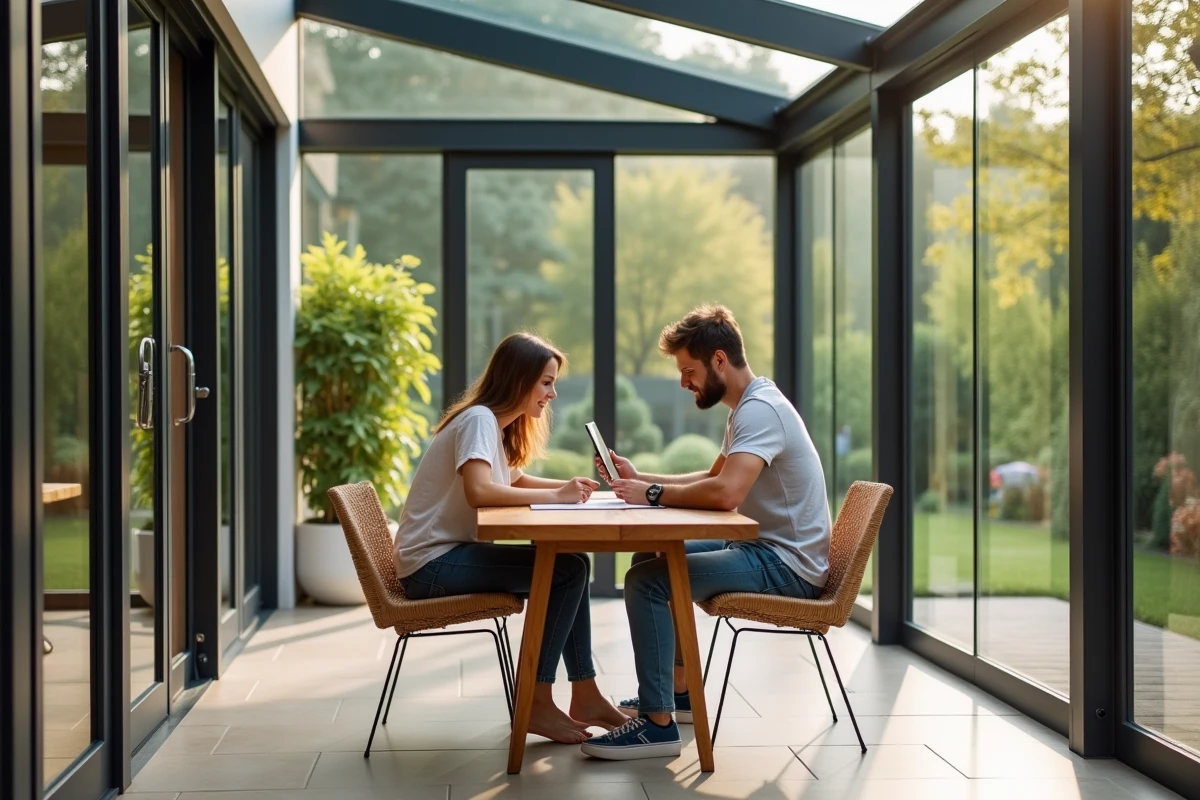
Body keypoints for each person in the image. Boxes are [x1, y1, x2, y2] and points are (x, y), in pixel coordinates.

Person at [580, 305, 832, 760]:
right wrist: (642, 480)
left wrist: (651, 494)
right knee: (648, 560)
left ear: (719, 360)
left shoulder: (759, 411)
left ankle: (656, 728)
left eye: (688, 370)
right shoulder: (750, 406)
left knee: (647, 582)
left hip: (787, 565)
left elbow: (724, 495)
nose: (683, 382)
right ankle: (676, 694)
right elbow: (713, 476)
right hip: (767, 549)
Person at [394, 331, 629, 744]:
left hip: (442, 558)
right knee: (567, 570)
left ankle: (585, 693)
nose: (552, 393)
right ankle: (538, 703)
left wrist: (575, 488)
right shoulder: (480, 420)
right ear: (518, 380)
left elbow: (514, 480)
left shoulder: (491, 426)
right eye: (546, 382)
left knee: (570, 564)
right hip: (431, 566)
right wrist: (558, 496)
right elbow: (480, 491)